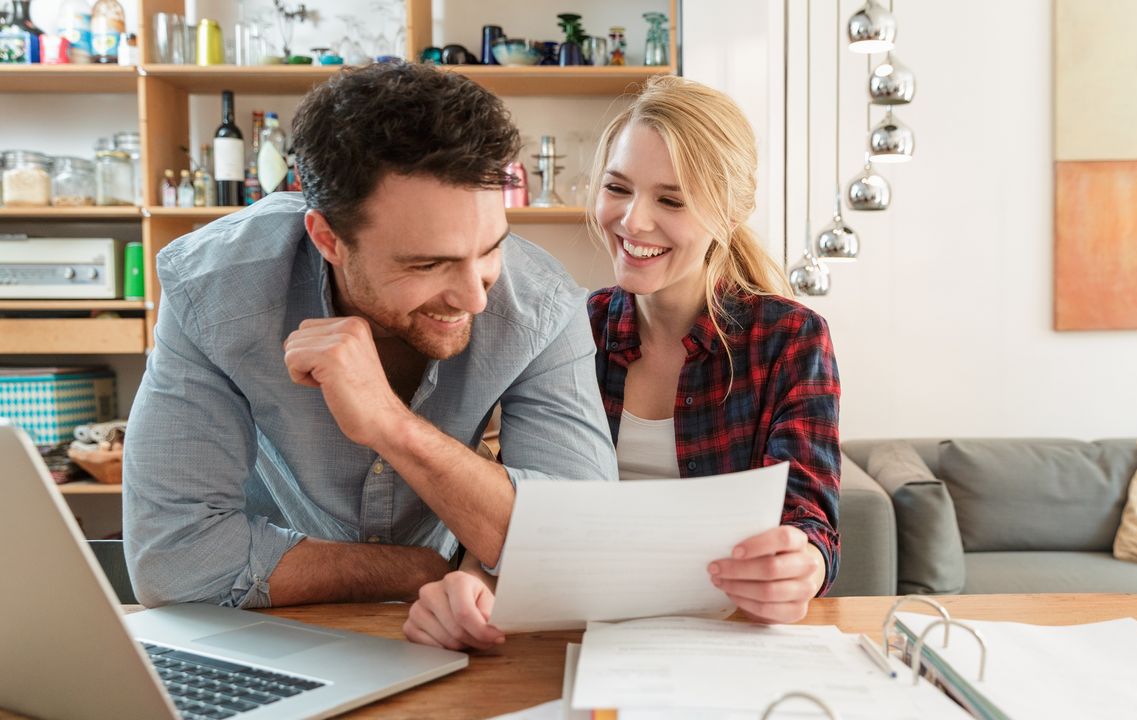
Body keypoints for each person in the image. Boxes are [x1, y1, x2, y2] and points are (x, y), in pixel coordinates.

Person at [123, 62, 617, 609]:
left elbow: (586, 549)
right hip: (265, 627)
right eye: (428, 264)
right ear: (328, 239)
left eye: (490, 247)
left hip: (454, 624)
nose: (475, 298)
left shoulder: (541, 306)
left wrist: (391, 426)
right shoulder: (212, 291)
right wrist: (422, 571)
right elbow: (173, 563)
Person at [404, 76, 841, 650]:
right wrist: (466, 586)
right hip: (573, 635)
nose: (633, 222)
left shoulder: (789, 338)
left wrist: (803, 565)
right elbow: (526, 511)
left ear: (729, 214)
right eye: (618, 188)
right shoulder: (569, 326)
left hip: (725, 641)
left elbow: (810, 522)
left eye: (671, 199)